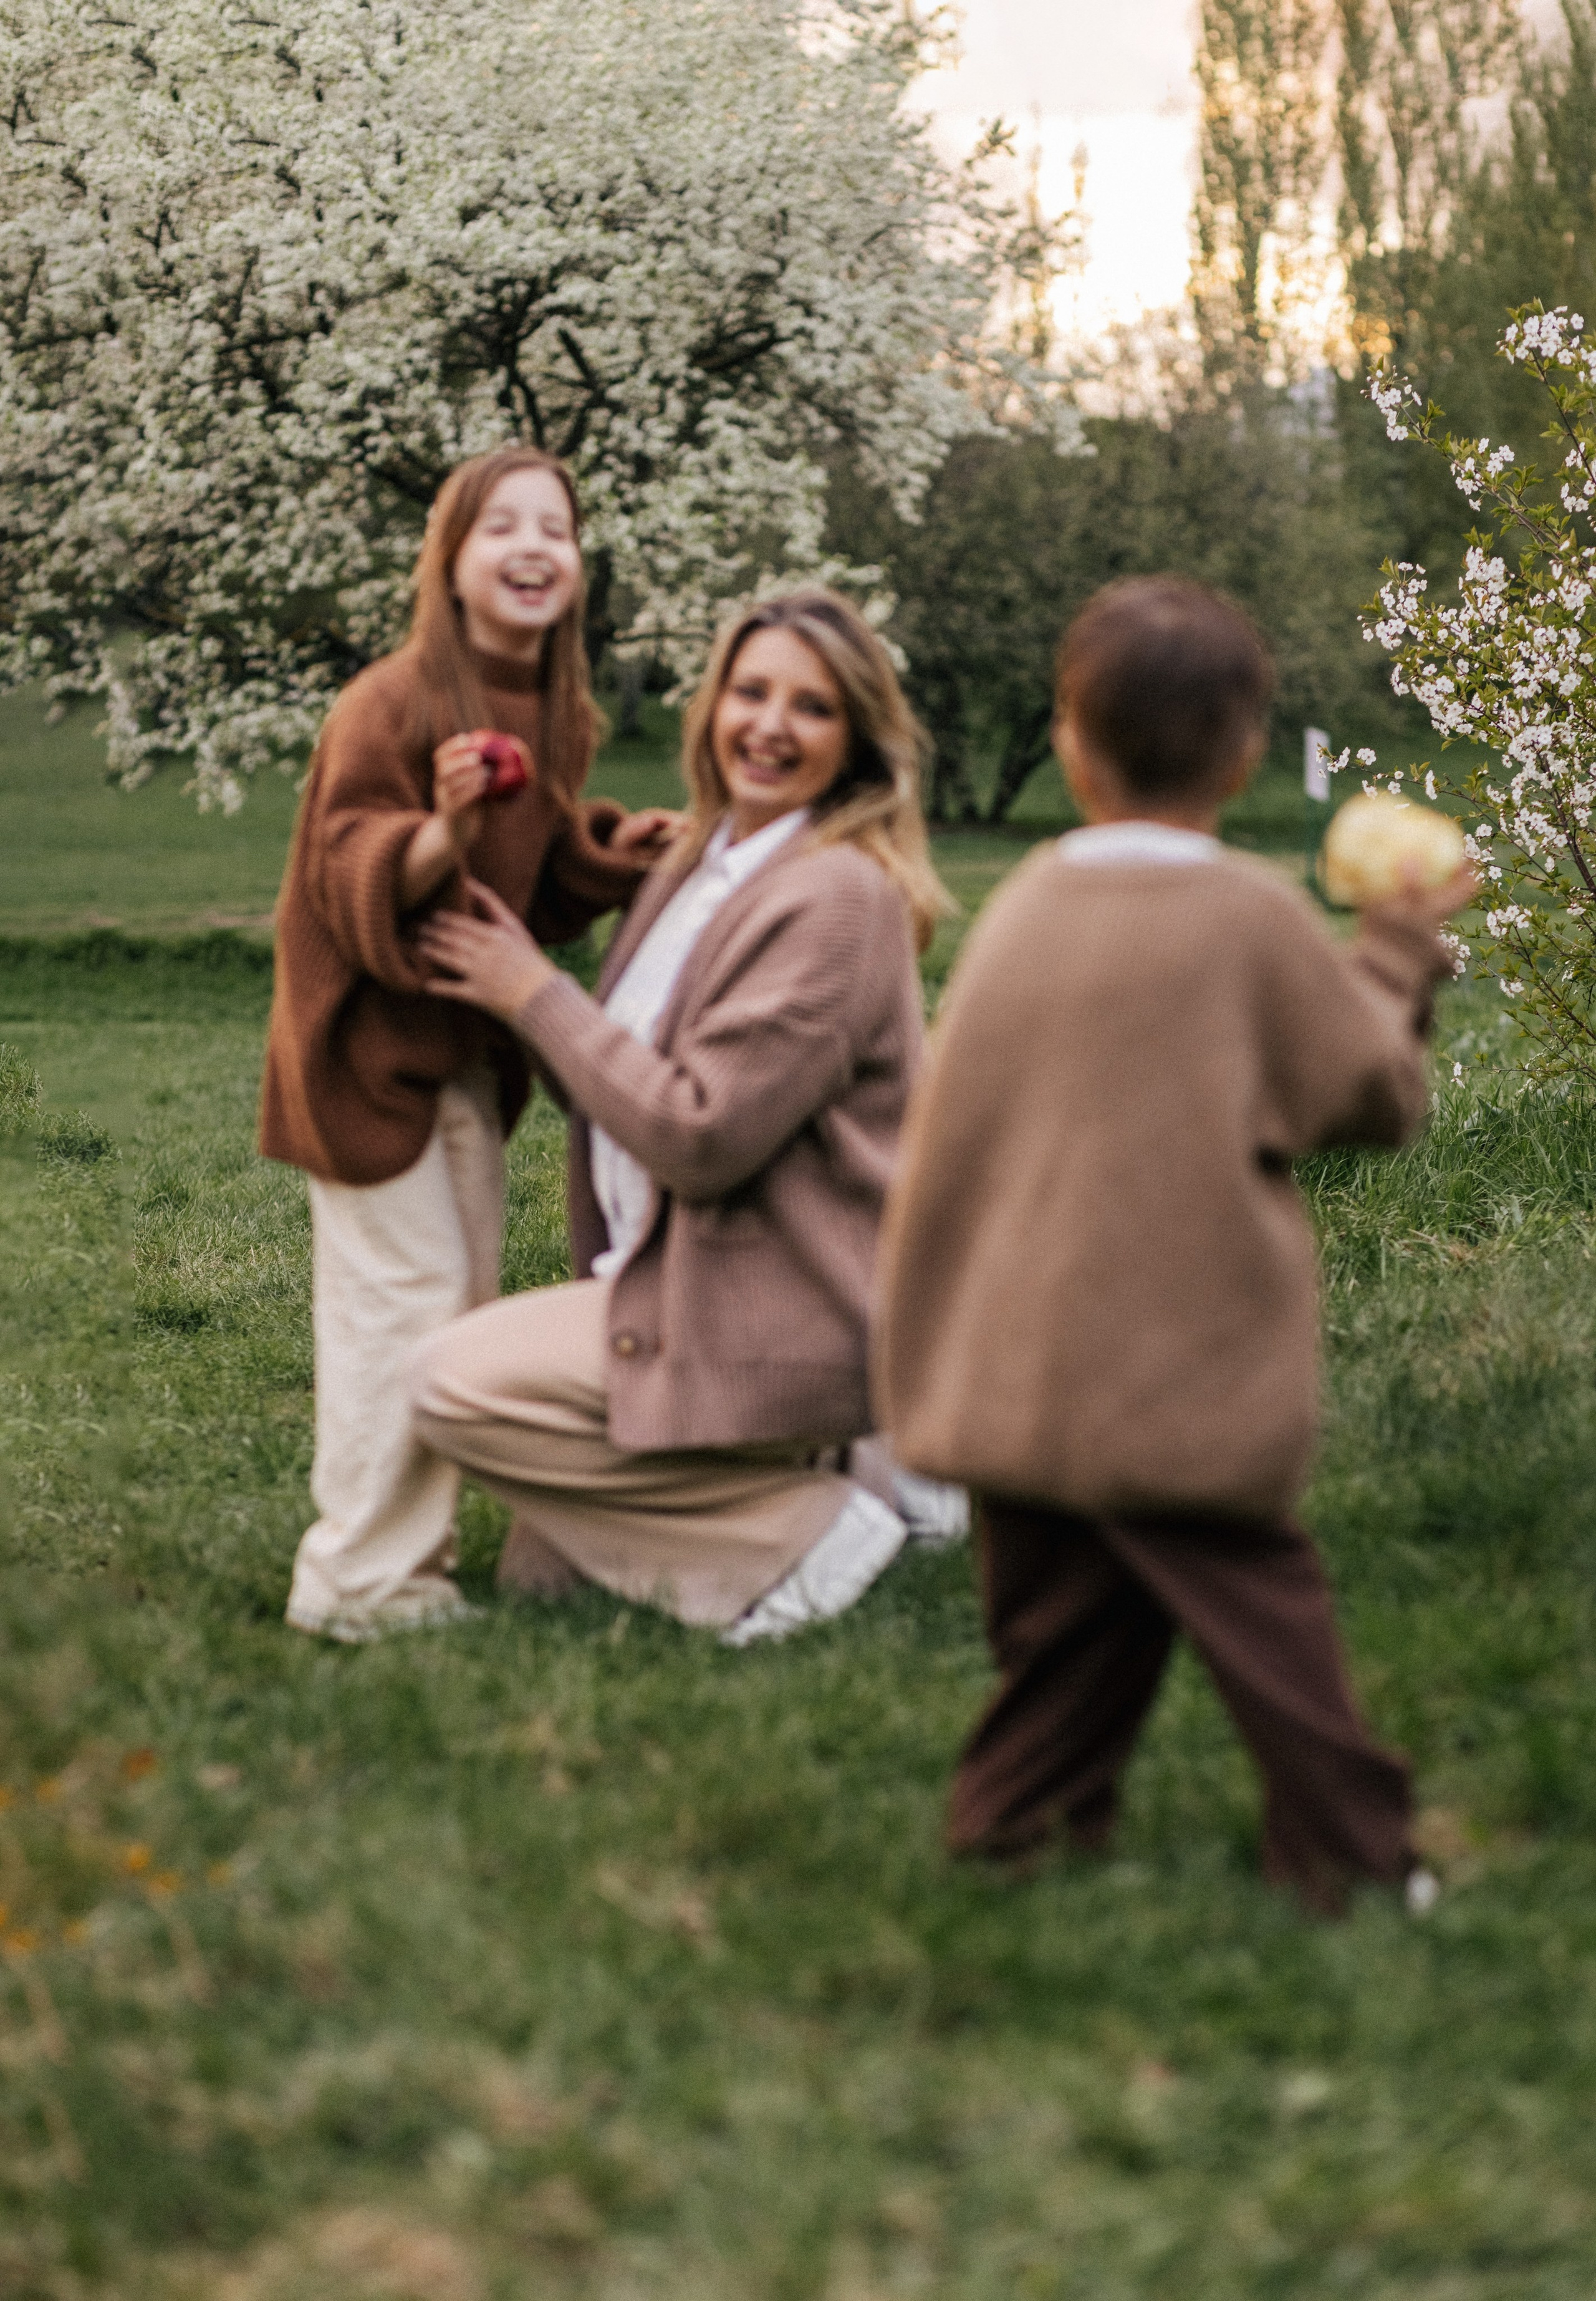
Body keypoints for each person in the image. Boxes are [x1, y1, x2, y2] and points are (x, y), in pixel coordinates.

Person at [873, 576, 1474, 1913]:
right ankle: (1349, 1857)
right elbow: (1361, 1096)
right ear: (1245, 750)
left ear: (1070, 745)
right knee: (1262, 1619)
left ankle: (1014, 1823)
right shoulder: (1247, 916)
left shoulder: (1022, 907)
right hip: (1174, 1369)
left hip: (1017, 1355)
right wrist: (1393, 952)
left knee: (1058, 1626)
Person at [408, 587, 954, 1643]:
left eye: (812, 706)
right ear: (710, 708)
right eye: (750, 692)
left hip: (784, 1305)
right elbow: (614, 1088)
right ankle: (863, 1474)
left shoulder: (838, 896)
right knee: (543, 1582)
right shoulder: (701, 864)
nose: (769, 725)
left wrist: (532, 992)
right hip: (668, 1276)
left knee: (449, 1381)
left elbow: (699, 1138)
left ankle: (814, 1529)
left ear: (857, 742)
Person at [261, 445, 676, 1643]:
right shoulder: (390, 703)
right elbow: (350, 870)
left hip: (458, 1063)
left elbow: (531, 865)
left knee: (459, 1315)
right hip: (361, 1059)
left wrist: (613, 852)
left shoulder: (554, 707)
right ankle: (358, 1584)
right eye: (504, 527)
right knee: (405, 1310)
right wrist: (440, 826)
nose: (536, 547)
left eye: (558, 528)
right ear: (449, 561)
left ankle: (413, 1558)